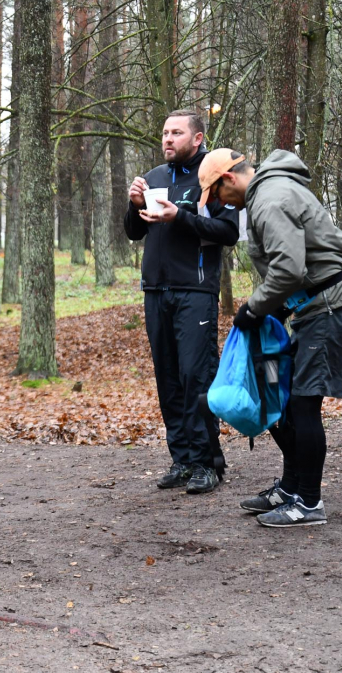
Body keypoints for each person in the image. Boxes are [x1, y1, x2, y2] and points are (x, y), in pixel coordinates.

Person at [197, 147, 342, 527]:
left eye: (215, 195)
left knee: (302, 404)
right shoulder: (267, 194)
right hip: (312, 309)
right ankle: (291, 488)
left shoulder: (270, 199)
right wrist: (273, 311)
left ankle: (308, 503)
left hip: (330, 309)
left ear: (229, 178)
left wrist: (254, 309)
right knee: (282, 399)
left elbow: (289, 269)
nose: (218, 204)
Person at [125, 108, 240, 494]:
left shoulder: (211, 176)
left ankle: (208, 463)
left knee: (197, 378)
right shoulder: (155, 177)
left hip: (196, 291)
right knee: (169, 379)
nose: (168, 139)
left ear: (197, 138)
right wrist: (133, 202)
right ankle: (182, 460)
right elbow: (132, 232)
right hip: (156, 291)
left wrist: (181, 217)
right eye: (164, 133)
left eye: (176, 133)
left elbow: (227, 232)